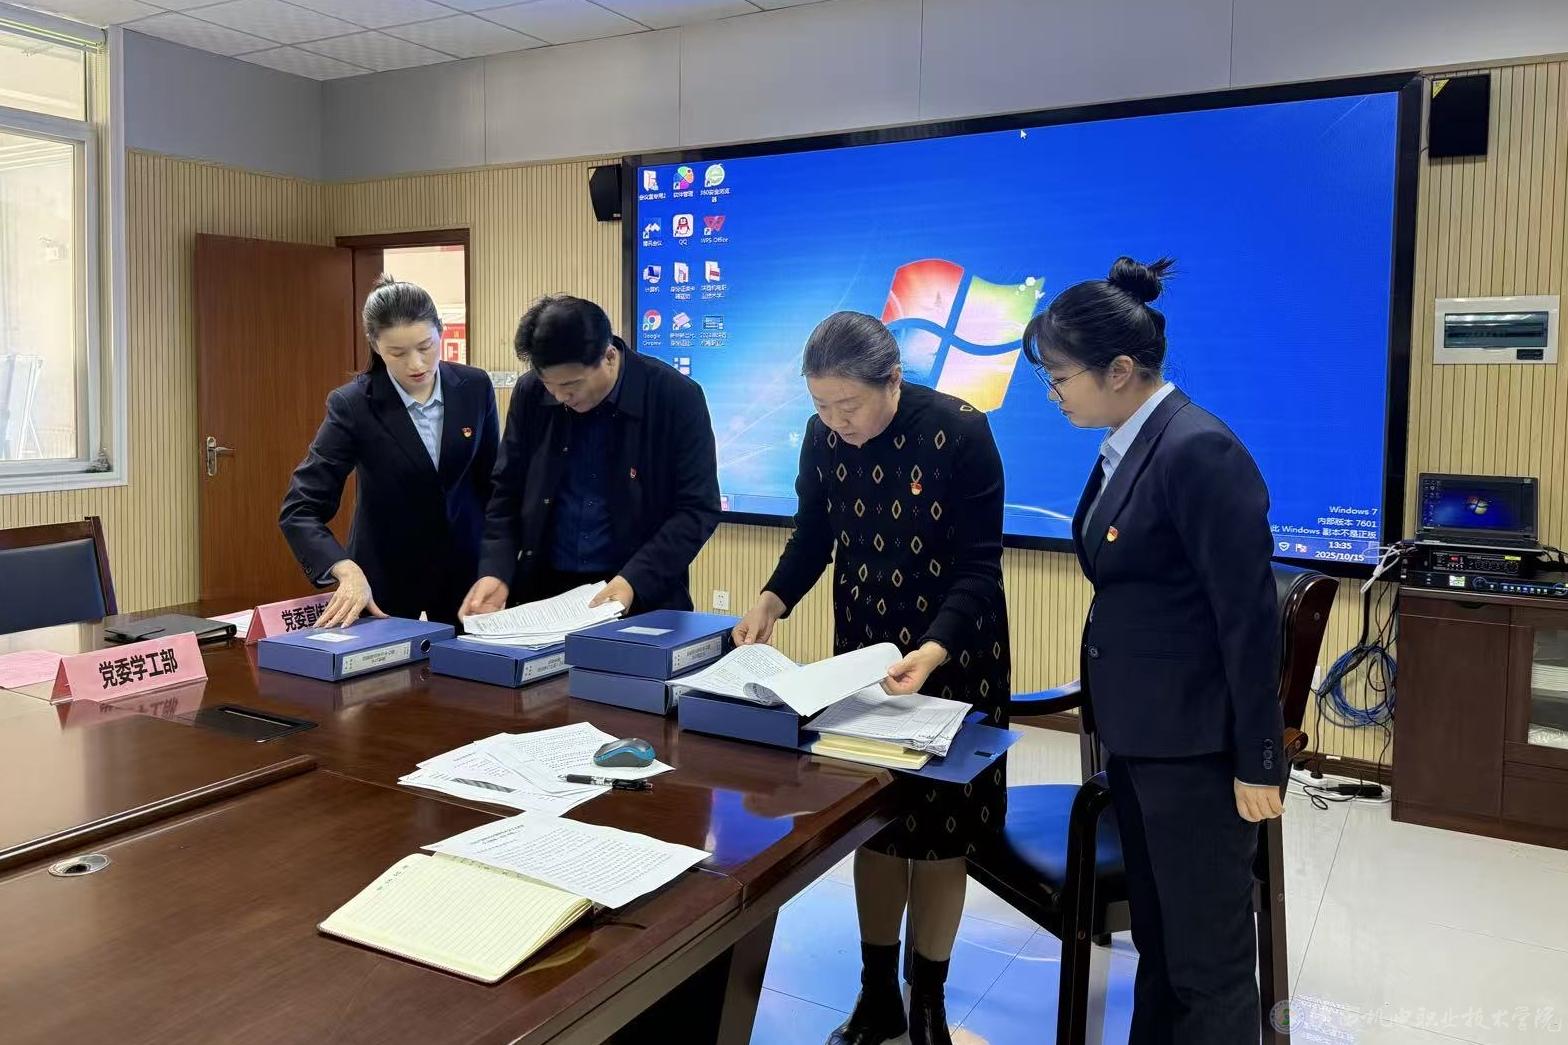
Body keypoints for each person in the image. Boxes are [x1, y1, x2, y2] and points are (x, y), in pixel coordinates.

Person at [1023, 256, 1283, 1044]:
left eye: (1060, 378)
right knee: (1162, 945)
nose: (1054, 395)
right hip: (1143, 739)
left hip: (1195, 751)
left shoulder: (1197, 449)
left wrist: (1259, 759)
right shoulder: (1130, 443)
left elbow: (1248, 618)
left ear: (1119, 370)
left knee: (1208, 964)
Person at [735, 312, 1010, 1045]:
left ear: (892, 380)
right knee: (877, 823)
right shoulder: (822, 436)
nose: (836, 422)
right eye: (821, 406)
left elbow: (980, 565)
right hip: (865, 650)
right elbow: (814, 535)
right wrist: (772, 598)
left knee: (942, 834)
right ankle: (877, 993)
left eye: (848, 405)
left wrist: (936, 648)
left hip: (954, 654)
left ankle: (929, 1002)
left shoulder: (960, 431)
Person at [461, 295, 720, 618]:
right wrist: (495, 570)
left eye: (572, 384)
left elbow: (697, 509)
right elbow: (507, 490)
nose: (561, 396)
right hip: (545, 593)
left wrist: (633, 580)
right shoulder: (531, 393)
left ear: (608, 357)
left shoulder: (674, 396)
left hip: (639, 592)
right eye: (550, 384)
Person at [280, 275, 499, 626]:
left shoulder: (474, 387)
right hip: (383, 581)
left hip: (467, 579)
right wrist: (343, 568)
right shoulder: (354, 405)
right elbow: (300, 509)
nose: (417, 364)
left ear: (441, 331)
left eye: (426, 346)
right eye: (397, 353)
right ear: (376, 345)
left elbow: (491, 486)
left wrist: (498, 566)